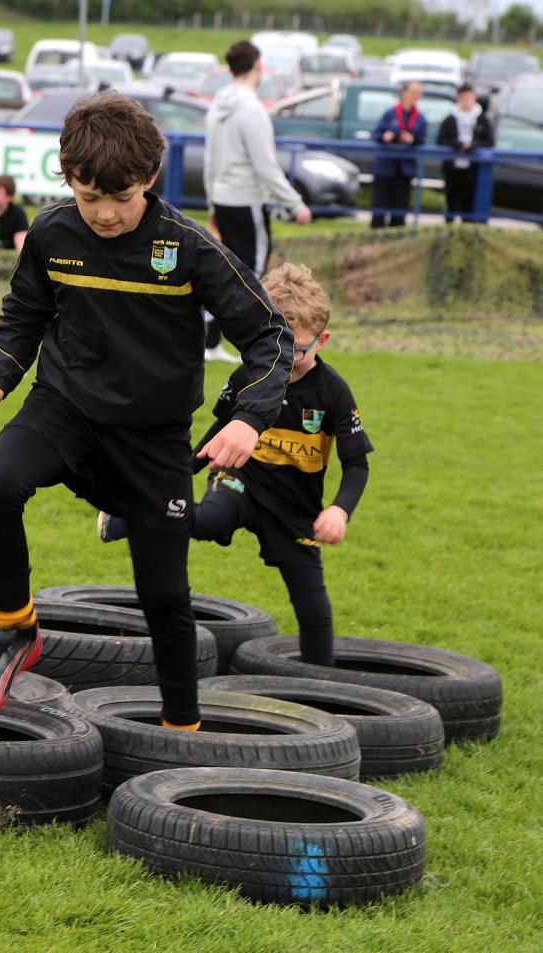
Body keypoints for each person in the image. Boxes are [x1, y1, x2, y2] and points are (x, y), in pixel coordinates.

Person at [0, 91, 293, 729]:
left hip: (153, 439)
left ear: (151, 178)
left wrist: (247, 418)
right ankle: (14, 629)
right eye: (88, 198)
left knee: (164, 595)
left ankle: (180, 727)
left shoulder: (188, 247)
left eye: (121, 198)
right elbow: (26, 313)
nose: (104, 214)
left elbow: (271, 336)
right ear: (66, 177)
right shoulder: (51, 232)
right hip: (65, 406)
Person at [99, 262, 373, 667]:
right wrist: (177, 477)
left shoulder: (333, 393)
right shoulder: (250, 375)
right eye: (278, 344)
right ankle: (128, 517)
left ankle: (321, 687)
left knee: (314, 607)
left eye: (298, 348)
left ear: (323, 339)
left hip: (295, 510)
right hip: (240, 479)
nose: (288, 357)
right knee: (210, 517)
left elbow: (357, 465)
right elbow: (216, 433)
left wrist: (339, 510)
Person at [203, 39, 312, 364]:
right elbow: (266, 166)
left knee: (225, 273)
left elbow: (210, 160)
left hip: (223, 198)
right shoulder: (251, 110)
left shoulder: (215, 108)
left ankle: (209, 343)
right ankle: (259, 347)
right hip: (246, 201)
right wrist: (296, 204)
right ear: (258, 67)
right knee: (256, 276)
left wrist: (212, 205)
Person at [370, 81, 427, 228]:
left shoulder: (420, 118)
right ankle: (375, 240)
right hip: (386, 167)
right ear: (404, 93)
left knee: (400, 208)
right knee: (380, 206)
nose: (416, 96)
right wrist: (386, 136)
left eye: (419, 92)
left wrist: (412, 139)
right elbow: (377, 134)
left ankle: (396, 241)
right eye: (414, 92)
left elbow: (422, 139)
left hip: (405, 168)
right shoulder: (390, 113)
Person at [437, 83, 495, 224]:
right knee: (451, 205)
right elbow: (441, 140)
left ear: (474, 97)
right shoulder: (450, 119)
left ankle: (465, 240)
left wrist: (473, 146)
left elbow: (489, 142)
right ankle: (448, 238)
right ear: (458, 98)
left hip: (472, 171)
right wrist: (458, 144)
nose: (466, 101)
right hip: (452, 170)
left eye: (469, 97)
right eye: (463, 97)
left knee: (468, 207)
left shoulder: (482, 119)